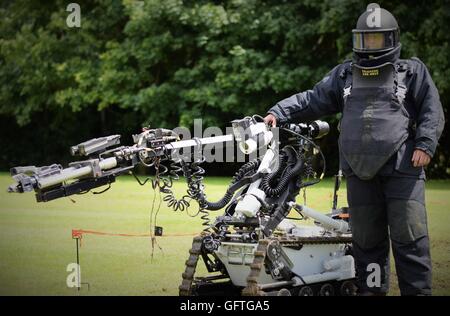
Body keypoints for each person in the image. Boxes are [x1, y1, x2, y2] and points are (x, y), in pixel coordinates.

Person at [264, 3, 445, 296]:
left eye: (376, 40)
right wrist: (279, 112)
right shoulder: (344, 74)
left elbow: (431, 109)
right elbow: (312, 100)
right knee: (366, 241)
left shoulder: (412, 71)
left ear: (391, 39)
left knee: (409, 239)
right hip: (359, 171)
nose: (370, 46)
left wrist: (425, 144)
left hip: (403, 169)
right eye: (365, 40)